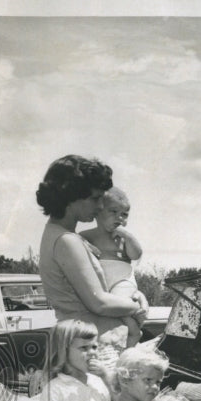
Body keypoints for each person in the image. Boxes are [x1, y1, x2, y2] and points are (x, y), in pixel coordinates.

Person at [36, 156, 148, 373]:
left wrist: (135, 296)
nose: (99, 207)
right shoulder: (66, 240)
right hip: (92, 350)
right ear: (73, 197)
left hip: (88, 344)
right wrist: (139, 307)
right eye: (96, 198)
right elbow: (99, 303)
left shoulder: (62, 235)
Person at [80, 187, 144, 348]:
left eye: (124, 214)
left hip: (122, 279)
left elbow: (136, 255)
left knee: (120, 304)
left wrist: (127, 236)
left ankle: (134, 332)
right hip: (102, 282)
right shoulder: (86, 236)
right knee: (105, 313)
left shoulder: (122, 239)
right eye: (113, 212)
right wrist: (84, 244)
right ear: (98, 212)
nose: (119, 217)